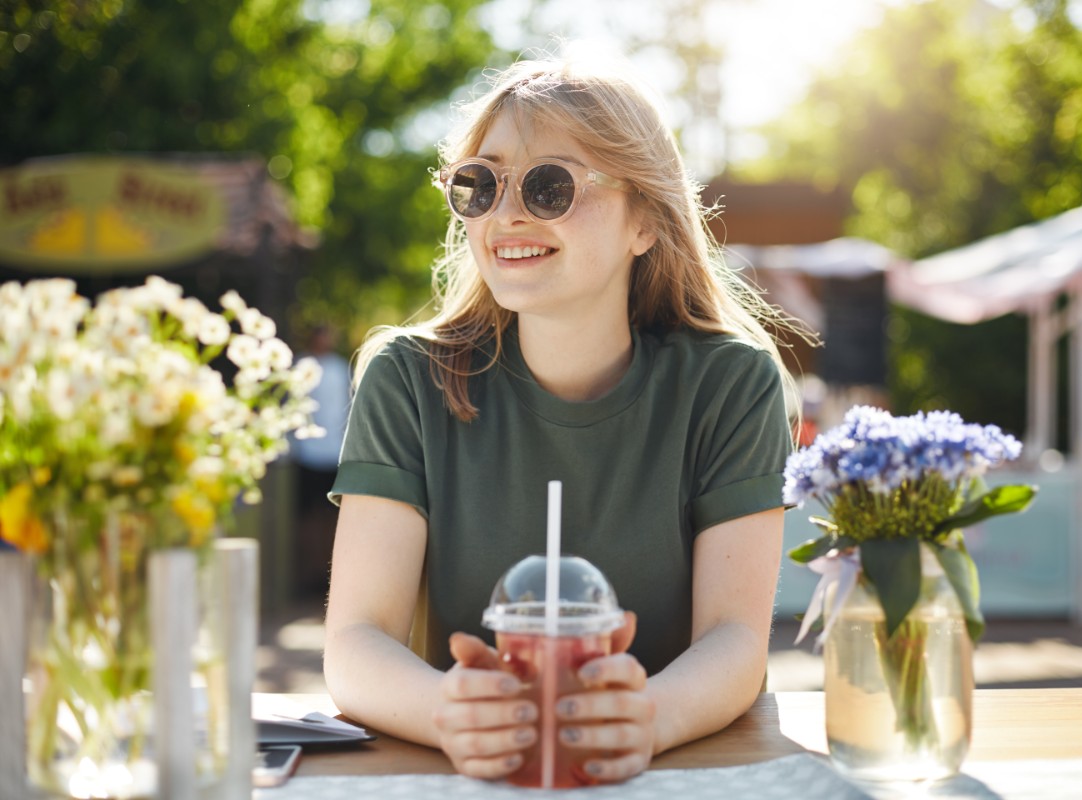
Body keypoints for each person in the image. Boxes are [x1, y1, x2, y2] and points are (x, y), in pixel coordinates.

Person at [323, 56, 811, 784]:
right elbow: (357, 642)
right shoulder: (406, 379)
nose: (506, 214)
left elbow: (734, 640)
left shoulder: (731, 384)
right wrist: (445, 713)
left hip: (682, 776)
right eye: (478, 185)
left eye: (549, 186)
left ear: (644, 219)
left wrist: (651, 717)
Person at [290, 324, 351, 597]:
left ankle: (329, 574)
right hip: (308, 453)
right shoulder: (300, 366)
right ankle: (308, 573)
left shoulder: (339, 368)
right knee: (307, 518)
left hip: (334, 453)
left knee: (331, 516)